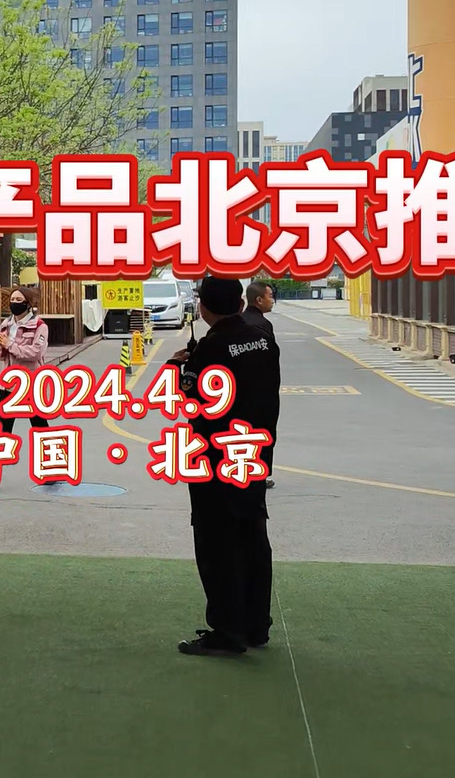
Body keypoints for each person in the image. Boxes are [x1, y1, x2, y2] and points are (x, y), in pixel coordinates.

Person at [167, 276, 281, 657]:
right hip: (254, 454)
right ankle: (256, 625)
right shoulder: (263, 339)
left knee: (217, 544)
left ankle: (227, 631)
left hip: (215, 460)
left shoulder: (210, 348)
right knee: (253, 539)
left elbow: (189, 397)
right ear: (240, 303)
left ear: (203, 308)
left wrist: (178, 367)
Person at [0, 287, 52, 487]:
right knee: (3, 430)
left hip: (30, 385)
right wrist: (0, 347)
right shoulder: (6, 324)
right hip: (8, 385)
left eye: (19, 299)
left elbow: (35, 353)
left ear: (28, 304)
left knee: (39, 426)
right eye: (13, 299)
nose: (14, 302)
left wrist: (10, 345)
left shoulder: (39, 326)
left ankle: (51, 470)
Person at [243, 281, 277, 490]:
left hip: (242, 391)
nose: (272, 300)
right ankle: (260, 474)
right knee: (263, 432)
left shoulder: (240, 322)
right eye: (269, 296)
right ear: (259, 299)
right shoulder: (263, 326)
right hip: (262, 391)